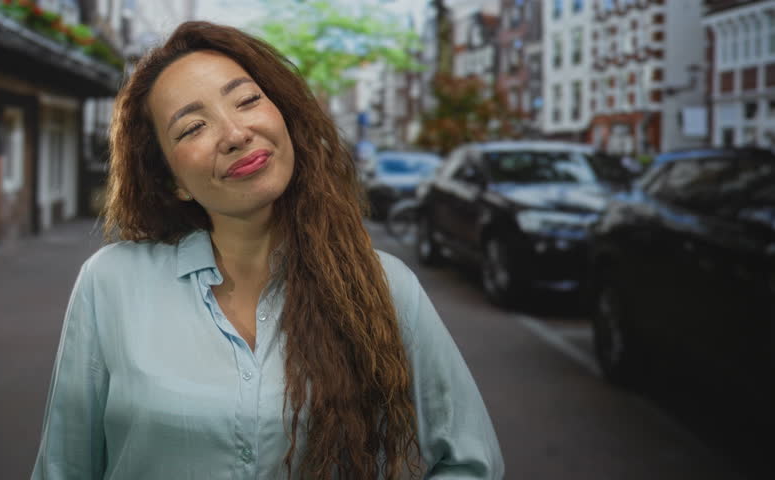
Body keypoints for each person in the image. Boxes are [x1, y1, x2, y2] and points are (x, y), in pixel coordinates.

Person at [31, 21, 504, 480]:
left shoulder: (384, 286)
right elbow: (63, 468)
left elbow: (472, 460)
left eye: (247, 100)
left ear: (283, 115)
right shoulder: (110, 284)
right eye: (193, 128)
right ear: (172, 182)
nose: (235, 133)